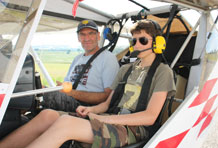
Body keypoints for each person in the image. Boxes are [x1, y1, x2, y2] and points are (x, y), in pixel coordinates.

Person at [0, 20, 176, 148]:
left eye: (142, 40)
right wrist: (91, 110)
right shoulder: (126, 69)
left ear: (157, 43)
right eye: (133, 40)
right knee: (47, 115)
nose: (136, 45)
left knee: (66, 123)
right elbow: (107, 103)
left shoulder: (162, 72)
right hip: (111, 118)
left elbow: (150, 117)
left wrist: (107, 119)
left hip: (135, 129)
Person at [43, 19, 120, 112]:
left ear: (98, 36)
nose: (87, 38)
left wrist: (72, 93)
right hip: (69, 99)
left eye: (91, 33)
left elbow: (107, 96)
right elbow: (67, 85)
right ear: (78, 38)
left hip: (87, 106)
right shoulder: (77, 59)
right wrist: (61, 87)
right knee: (37, 89)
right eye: (82, 34)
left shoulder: (108, 58)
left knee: (41, 93)